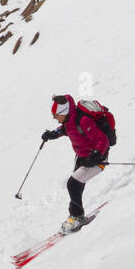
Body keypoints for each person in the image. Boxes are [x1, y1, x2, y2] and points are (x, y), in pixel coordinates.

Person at [41, 92, 111, 232]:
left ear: (64, 112)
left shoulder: (83, 120)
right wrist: (52, 134)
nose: (54, 118)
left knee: (72, 184)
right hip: (83, 157)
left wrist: (96, 155)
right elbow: (65, 130)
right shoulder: (69, 121)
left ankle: (77, 216)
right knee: (77, 187)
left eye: (56, 115)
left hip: (96, 159)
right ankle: (76, 214)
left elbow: (103, 140)